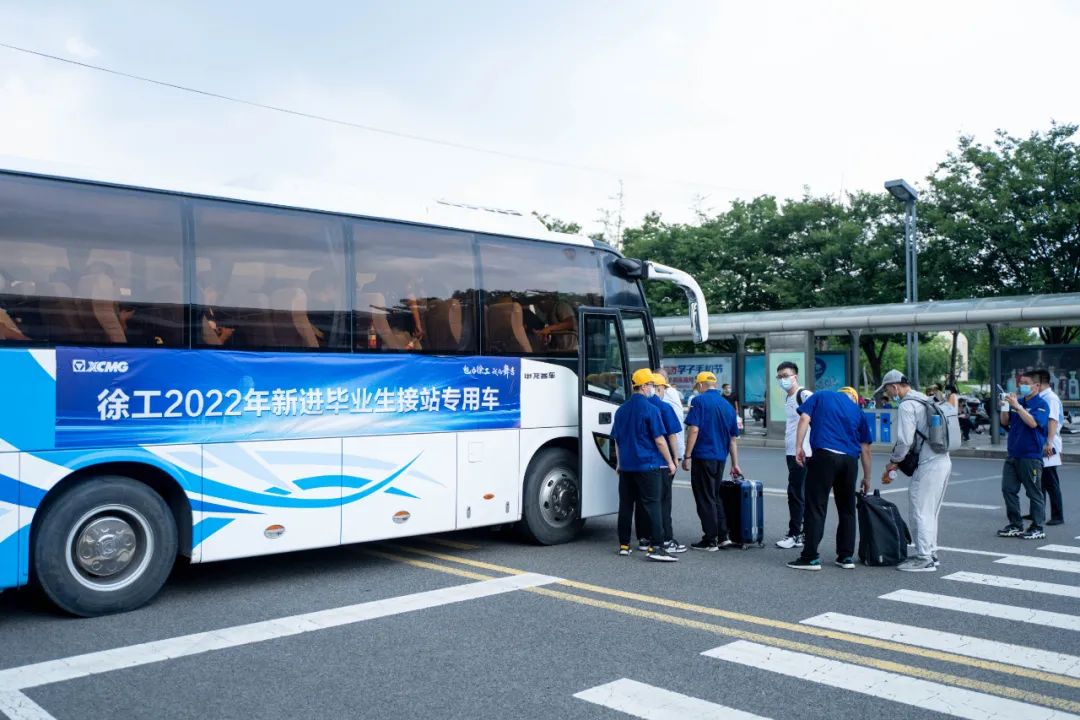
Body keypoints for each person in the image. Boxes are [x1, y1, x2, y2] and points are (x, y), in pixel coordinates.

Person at [787, 389, 872, 570]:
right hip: (850, 461)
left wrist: (798, 447)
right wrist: (867, 477)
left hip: (824, 455)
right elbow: (865, 448)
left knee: (816, 506)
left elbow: (804, 418)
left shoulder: (822, 395)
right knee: (847, 509)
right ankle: (845, 556)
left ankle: (810, 557)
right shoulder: (857, 410)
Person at [879, 370, 951, 572]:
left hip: (929, 463)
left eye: (887, 389)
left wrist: (894, 462)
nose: (887, 394)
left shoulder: (907, 405)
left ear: (895, 386)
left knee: (919, 509)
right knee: (931, 511)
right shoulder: (924, 398)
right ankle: (931, 553)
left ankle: (924, 558)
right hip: (943, 458)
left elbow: (904, 441)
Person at [611, 368, 679, 562]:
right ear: (642, 386)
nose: (652, 388)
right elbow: (659, 440)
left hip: (627, 467)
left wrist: (619, 463)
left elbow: (617, 440)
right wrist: (670, 462)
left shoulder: (621, 410)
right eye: (650, 384)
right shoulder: (651, 409)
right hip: (648, 465)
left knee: (626, 505)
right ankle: (656, 547)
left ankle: (624, 545)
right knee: (653, 505)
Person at [682, 371, 741, 551]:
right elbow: (733, 439)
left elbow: (694, 430)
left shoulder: (698, 401)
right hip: (720, 458)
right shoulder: (727, 405)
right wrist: (735, 464)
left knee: (704, 497)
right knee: (715, 496)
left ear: (700, 385)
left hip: (703, 456)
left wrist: (687, 455)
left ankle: (710, 539)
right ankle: (723, 536)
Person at [633, 372, 688, 553]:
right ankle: (666, 539)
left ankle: (644, 538)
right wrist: (675, 459)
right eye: (664, 388)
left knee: (643, 501)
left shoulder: (638, 406)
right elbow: (672, 436)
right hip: (662, 462)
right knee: (663, 501)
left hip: (640, 461)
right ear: (658, 388)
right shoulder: (664, 408)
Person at [997, 371, 1050, 540]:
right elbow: (1005, 422)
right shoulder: (1018, 402)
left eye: (1026, 383)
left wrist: (1018, 407)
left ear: (1036, 386)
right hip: (1013, 454)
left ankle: (1037, 527)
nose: (1021, 386)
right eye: (1020, 383)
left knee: (1034, 492)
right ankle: (1015, 524)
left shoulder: (1041, 404)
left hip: (1030, 456)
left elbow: (1033, 423)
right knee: (1008, 489)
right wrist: (1004, 407)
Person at [774, 361, 812, 550]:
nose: (782, 379)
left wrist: (802, 447)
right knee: (799, 493)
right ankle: (802, 533)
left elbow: (817, 414)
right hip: (792, 452)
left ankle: (795, 534)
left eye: (785, 376)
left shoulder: (803, 394)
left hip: (802, 453)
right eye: (779, 376)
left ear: (795, 376)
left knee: (796, 493)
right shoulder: (789, 397)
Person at [1036, 368, 1065, 526]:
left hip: (1049, 444)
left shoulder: (1050, 398)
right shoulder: (1043, 397)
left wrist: (1049, 442)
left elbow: (1053, 421)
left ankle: (1058, 515)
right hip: (1043, 442)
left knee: (1050, 481)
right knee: (1040, 481)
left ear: (1040, 382)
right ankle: (1038, 512)